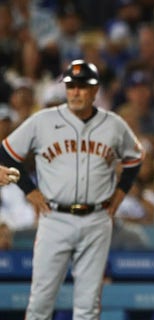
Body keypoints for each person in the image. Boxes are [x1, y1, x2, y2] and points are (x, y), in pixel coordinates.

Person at [0, 60, 144, 320]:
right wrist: (29, 190)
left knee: (88, 305)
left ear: (95, 89)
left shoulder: (113, 124)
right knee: (40, 301)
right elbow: (6, 154)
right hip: (54, 217)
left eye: (82, 86)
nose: (75, 91)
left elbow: (135, 160)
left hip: (97, 219)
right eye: (71, 86)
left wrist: (120, 194)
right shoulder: (43, 121)